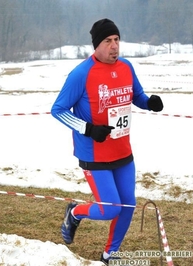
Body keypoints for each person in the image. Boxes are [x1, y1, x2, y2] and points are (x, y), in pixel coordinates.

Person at [51, 18, 164, 265]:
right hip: (94, 153)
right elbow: (58, 110)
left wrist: (149, 103)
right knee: (110, 208)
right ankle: (75, 212)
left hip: (122, 150)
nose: (114, 46)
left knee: (128, 206)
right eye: (108, 41)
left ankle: (110, 253)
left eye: (116, 40)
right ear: (97, 45)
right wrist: (88, 128)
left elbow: (137, 95)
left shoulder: (126, 66)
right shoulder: (81, 73)